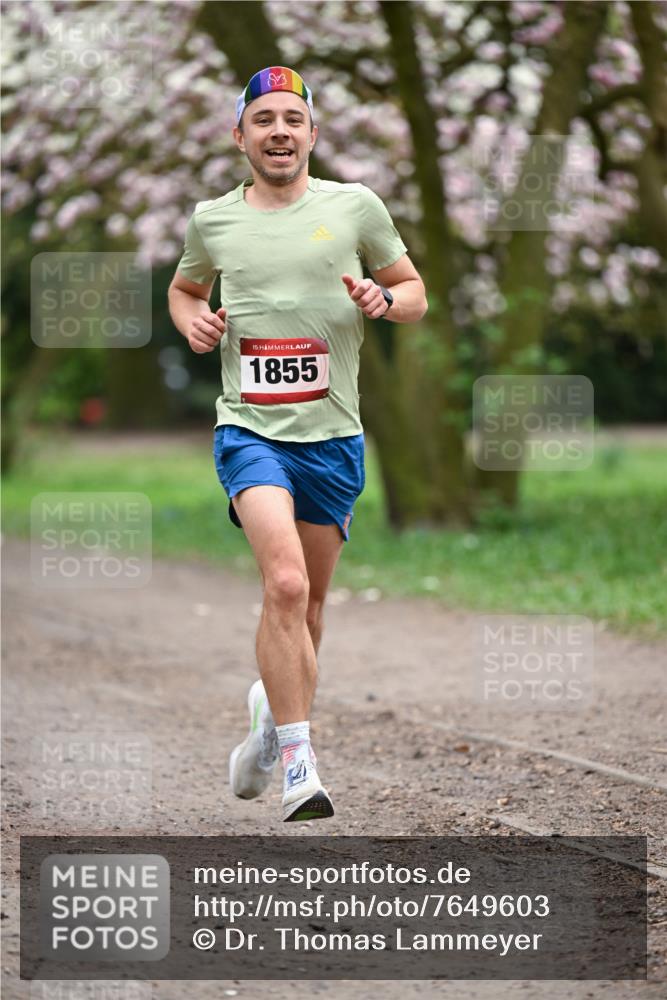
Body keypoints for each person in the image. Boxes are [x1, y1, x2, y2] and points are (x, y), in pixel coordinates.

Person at [168, 66, 427, 822]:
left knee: (309, 606)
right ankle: (300, 765)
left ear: (312, 134)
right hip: (249, 430)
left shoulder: (354, 208)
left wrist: (385, 300)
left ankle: (263, 730)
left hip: (333, 439)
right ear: (239, 135)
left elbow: (412, 291)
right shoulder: (212, 220)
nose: (278, 131)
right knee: (282, 585)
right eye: (263, 120)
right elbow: (186, 290)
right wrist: (194, 321)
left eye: (292, 119)